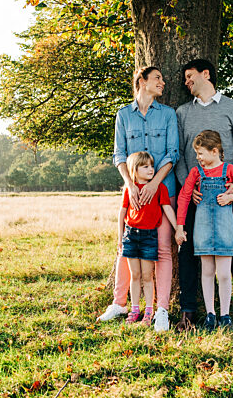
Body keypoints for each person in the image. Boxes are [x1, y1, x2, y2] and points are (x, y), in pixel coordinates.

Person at [175, 59, 233, 331]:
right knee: (188, 249)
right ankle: (188, 309)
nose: (186, 81)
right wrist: (190, 185)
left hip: (224, 193)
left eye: (190, 76)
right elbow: (180, 155)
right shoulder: (183, 112)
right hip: (195, 194)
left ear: (206, 74)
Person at [97, 66, 179, 332]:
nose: (162, 83)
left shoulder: (168, 115)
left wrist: (155, 183)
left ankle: (161, 310)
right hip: (133, 195)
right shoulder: (123, 115)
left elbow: (172, 153)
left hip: (163, 191)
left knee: (163, 251)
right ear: (142, 82)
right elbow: (119, 155)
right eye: (157, 78)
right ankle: (120, 303)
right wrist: (130, 185)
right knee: (125, 249)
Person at [119, 151, 179, 326]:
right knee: (135, 275)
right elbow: (122, 213)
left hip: (149, 237)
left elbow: (167, 209)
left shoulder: (160, 188)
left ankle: (149, 312)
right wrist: (119, 238)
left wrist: (178, 230)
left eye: (152, 166)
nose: (151, 169)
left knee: (147, 275)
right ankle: (135, 308)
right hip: (130, 235)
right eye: (145, 166)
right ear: (134, 170)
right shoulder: (130, 190)